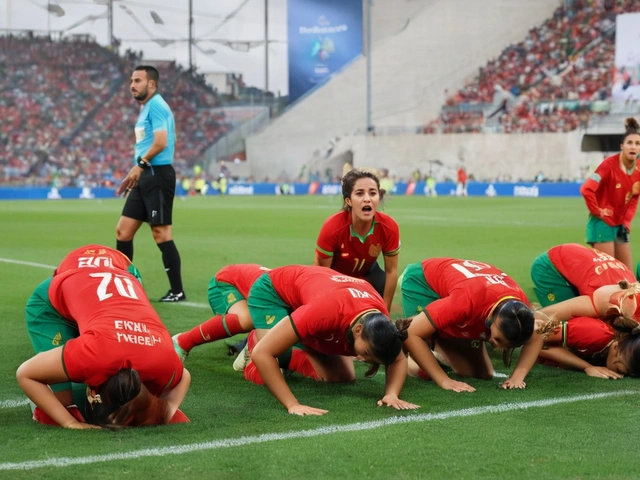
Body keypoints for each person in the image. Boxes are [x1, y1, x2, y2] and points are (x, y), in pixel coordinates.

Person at [16, 245, 190, 428]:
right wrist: (70, 422)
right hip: (53, 300)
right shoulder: (96, 354)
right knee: (61, 402)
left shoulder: (161, 361)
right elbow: (26, 374)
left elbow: (184, 375)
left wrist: (167, 410)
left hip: (109, 277)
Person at [244, 265, 419, 415]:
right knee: (269, 360)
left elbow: (398, 359)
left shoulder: (381, 322)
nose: (363, 360)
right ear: (358, 329)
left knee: (342, 376)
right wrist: (293, 405)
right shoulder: (325, 311)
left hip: (314, 302)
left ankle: (291, 335)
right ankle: (254, 340)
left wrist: (391, 394)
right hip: (273, 292)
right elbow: (263, 353)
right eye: (366, 353)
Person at [400, 258, 543, 392]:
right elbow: (412, 332)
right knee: (418, 335)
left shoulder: (520, 309)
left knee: (482, 373)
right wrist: (444, 381)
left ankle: (441, 348)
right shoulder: (465, 302)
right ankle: (410, 356)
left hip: (464, 292)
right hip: (423, 283)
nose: (498, 346)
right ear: (493, 317)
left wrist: (518, 376)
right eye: (498, 339)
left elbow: (536, 334)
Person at [115, 65, 186, 302]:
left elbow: (161, 142)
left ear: (151, 84)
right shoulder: (147, 108)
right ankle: (127, 287)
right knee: (123, 232)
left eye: (137, 80)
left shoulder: (156, 105)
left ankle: (177, 291)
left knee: (161, 233)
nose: (132, 85)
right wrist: (138, 168)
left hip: (157, 174)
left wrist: (141, 164)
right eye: (131, 81)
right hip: (146, 173)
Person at [313, 169, 400, 312]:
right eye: (360, 194)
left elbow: (391, 271)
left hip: (367, 273)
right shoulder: (332, 227)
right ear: (348, 200)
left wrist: (385, 311)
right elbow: (322, 274)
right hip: (333, 276)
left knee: (381, 284)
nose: (367, 199)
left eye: (373, 193)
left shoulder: (389, 227)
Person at [172, 264, 270, 368]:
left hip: (249, 289)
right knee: (246, 320)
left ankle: (251, 344)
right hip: (225, 282)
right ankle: (182, 342)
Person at [580, 117, 640, 272]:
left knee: (627, 275)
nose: (633, 147)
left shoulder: (639, 168)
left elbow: (634, 197)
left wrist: (626, 222)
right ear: (622, 146)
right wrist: (598, 211)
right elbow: (586, 189)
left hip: (620, 224)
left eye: (637, 144)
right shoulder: (608, 165)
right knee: (610, 274)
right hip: (602, 224)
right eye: (630, 143)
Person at [530, 243, 636, 307]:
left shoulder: (632, 284)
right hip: (549, 266)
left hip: (573, 258)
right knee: (560, 322)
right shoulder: (602, 296)